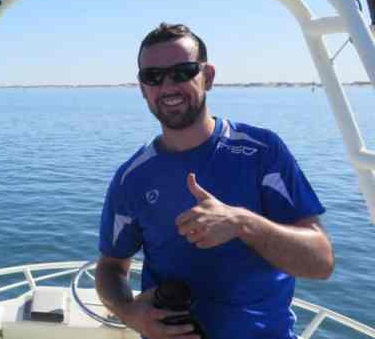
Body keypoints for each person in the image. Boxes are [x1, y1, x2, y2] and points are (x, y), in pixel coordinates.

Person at [95, 23, 334, 339]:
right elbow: (111, 267)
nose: (168, 86)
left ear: (207, 76)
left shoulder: (262, 152)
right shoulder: (132, 178)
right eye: (153, 76)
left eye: (182, 72)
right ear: (142, 88)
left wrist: (242, 223)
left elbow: (321, 262)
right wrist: (130, 313)